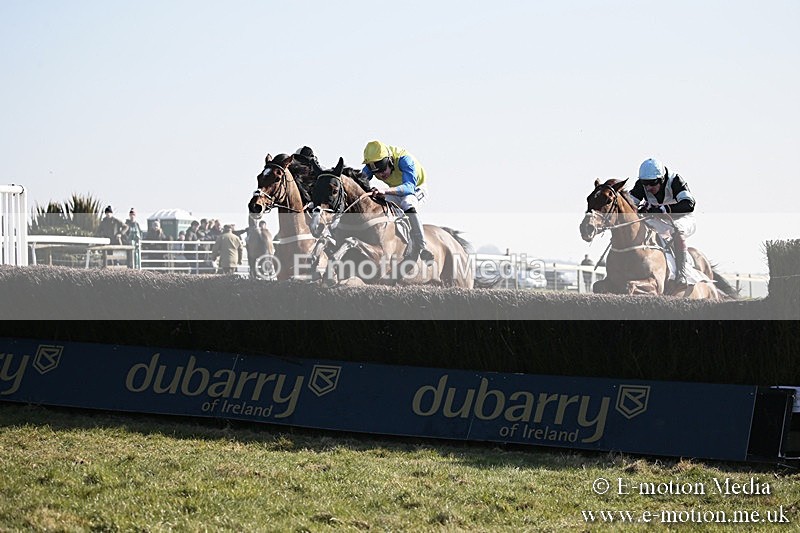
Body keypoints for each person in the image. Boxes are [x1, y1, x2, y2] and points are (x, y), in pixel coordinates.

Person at [362, 140, 434, 262]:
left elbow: (409, 188)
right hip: (394, 190)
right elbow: (359, 182)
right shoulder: (373, 163)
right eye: (376, 173)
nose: (381, 174)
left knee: (407, 203)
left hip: (416, 189)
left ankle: (422, 247)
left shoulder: (405, 160)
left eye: (383, 169)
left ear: (389, 160)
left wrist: (385, 190)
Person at [629, 158, 696, 285]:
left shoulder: (675, 180)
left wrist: (665, 209)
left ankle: (681, 274)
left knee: (677, 230)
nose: (648, 188)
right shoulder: (642, 185)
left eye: (652, 184)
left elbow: (689, 204)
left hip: (682, 218)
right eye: (645, 184)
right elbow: (629, 204)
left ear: (662, 179)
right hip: (658, 220)